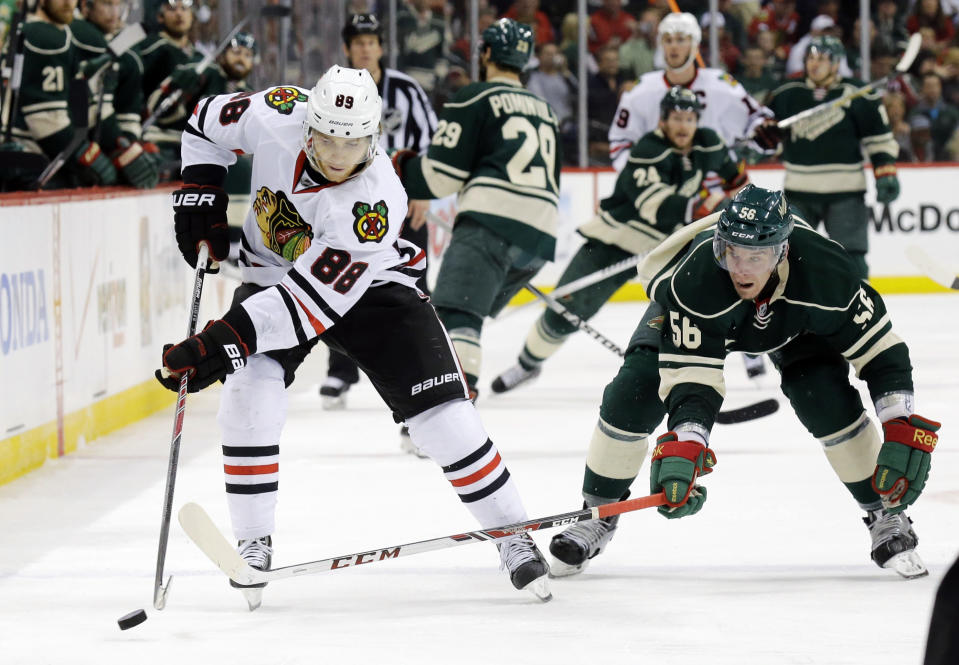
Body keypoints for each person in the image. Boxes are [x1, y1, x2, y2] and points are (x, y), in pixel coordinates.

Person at [154, 65, 552, 609]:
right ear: (307, 125)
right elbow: (202, 124)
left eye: (355, 142)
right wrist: (200, 187)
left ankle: (512, 534)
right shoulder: (275, 111)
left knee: (445, 422)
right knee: (248, 395)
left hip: (371, 289)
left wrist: (217, 342)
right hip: (273, 275)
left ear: (374, 136)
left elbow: (303, 308)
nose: (340, 155)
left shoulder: (375, 201)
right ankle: (253, 545)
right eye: (327, 139)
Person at [547, 184, 938, 582]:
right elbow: (692, 377)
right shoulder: (695, 278)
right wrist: (688, 441)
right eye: (732, 251)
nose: (742, 268)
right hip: (702, 314)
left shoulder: (826, 273)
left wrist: (898, 421)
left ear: (782, 251)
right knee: (633, 393)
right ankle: (597, 513)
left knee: (824, 397)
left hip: (794, 326)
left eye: (758, 255)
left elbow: (881, 354)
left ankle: (885, 514)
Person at [490, 87, 746, 394]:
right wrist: (708, 205)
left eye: (689, 119)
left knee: (688, 307)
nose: (683, 126)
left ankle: (720, 360)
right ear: (662, 121)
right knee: (564, 312)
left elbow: (735, 177)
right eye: (676, 118)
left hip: (663, 249)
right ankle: (527, 364)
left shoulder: (707, 143)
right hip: (615, 242)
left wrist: (739, 198)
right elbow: (658, 207)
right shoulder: (649, 150)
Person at [390, 17, 561, 408]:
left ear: (485, 53)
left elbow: (438, 179)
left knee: (455, 312)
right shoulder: (545, 110)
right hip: (539, 239)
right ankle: (452, 400)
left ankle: (451, 407)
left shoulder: (475, 97)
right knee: (470, 313)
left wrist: (397, 167)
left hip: (490, 224)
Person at [319, 13, 439, 421]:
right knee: (340, 282)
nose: (366, 47)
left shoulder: (404, 89)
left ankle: (422, 374)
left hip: (403, 204)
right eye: (359, 41)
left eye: (372, 40)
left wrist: (423, 192)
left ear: (381, 46)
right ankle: (340, 371)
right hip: (347, 205)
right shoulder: (331, 90)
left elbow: (431, 141)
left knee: (412, 287)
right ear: (349, 48)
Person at [764, 35, 900, 280]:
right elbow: (766, 139)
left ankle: (859, 310)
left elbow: (879, 139)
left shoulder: (859, 95)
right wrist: (760, 139)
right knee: (788, 255)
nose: (814, 64)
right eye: (811, 58)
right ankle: (791, 311)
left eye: (823, 59)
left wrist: (885, 172)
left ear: (837, 63)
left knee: (852, 257)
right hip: (799, 190)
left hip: (845, 191)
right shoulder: (786, 94)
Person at [609, 12, 777, 172]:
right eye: (668, 40)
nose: (673, 46)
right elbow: (620, 143)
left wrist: (763, 131)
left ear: (694, 44)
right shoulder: (642, 89)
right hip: (663, 188)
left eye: (681, 40)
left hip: (714, 188)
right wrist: (639, 176)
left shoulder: (720, 85)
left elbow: (757, 119)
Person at [5, 0, 118, 189]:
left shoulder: (51, 31)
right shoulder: (44, 35)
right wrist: (86, 155)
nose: (68, 2)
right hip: (26, 154)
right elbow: (48, 124)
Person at [71, 0, 158, 188]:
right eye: (107, 4)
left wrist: (129, 142)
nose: (115, 12)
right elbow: (83, 104)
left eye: (118, 5)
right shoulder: (78, 36)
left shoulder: (129, 52)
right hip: (71, 139)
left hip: (102, 139)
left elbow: (129, 111)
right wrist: (120, 146)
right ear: (86, 7)